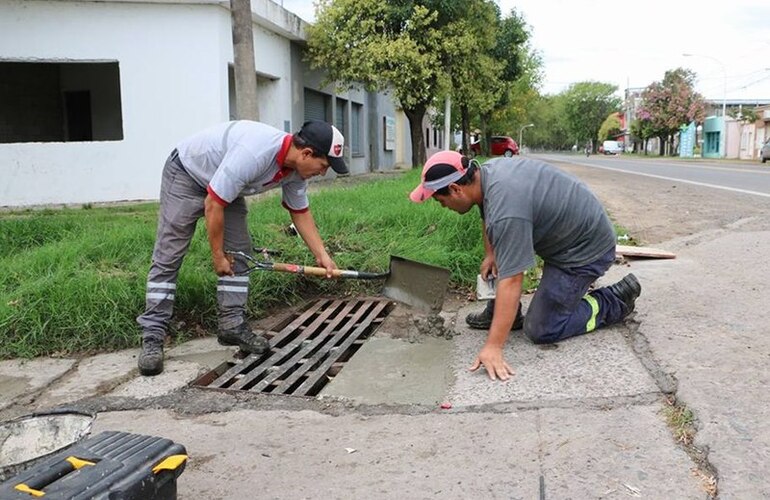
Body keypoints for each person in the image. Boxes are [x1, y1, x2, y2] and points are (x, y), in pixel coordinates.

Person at [137, 119, 348, 376]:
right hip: (187, 174)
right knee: (169, 254)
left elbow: (300, 212)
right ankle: (153, 335)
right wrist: (217, 256)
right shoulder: (255, 152)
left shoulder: (296, 172)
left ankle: (231, 325)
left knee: (239, 252)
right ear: (306, 153)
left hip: (227, 186)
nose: (323, 172)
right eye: (323, 166)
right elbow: (213, 204)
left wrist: (322, 256)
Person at [409, 151, 641, 382]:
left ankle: (612, 301)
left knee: (542, 329)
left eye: (441, 201)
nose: (442, 207)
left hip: (584, 252)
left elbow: (512, 280)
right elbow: (486, 213)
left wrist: (494, 346)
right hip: (567, 237)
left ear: (456, 189)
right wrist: (492, 253)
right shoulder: (487, 176)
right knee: (503, 259)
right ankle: (507, 314)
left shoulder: (506, 210)